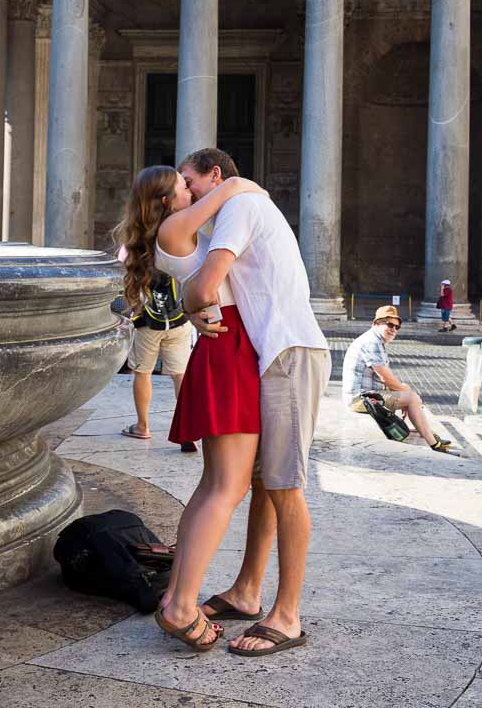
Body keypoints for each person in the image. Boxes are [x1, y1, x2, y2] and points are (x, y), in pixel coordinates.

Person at [178, 148, 332, 658]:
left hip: (288, 350)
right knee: (266, 483)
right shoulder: (245, 204)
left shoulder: (239, 207)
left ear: (216, 175)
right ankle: (247, 591)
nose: (188, 192)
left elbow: (203, 286)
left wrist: (191, 306)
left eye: (190, 181)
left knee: (285, 487)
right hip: (279, 351)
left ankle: (287, 615)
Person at [114, 165, 264, 652]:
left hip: (222, 349)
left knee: (212, 487)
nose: (192, 188)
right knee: (227, 488)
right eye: (184, 186)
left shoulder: (174, 231)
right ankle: (180, 607)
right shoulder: (176, 227)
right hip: (228, 353)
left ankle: (177, 596)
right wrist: (234, 185)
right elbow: (235, 190)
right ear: (167, 201)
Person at [342, 305, 452, 453]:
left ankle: (423, 431)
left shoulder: (375, 340)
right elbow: (385, 378)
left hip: (366, 395)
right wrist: (410, 396)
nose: (394, 329)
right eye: (390, 325)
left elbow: (386, 378)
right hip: (360, 400)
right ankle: (433, 443)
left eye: (397, 327)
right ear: (376, 324)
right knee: (412, 398)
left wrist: (405, 391)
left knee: (407, 392)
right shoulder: (372, 343)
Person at [119, 260, 196, 452]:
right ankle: (187, 431)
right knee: (180, 375)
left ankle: (142, 427)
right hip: (179, 322)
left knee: (143, 372)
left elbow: (128, 289)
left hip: (148, 325)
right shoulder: (176, 248)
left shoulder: (140, 251)